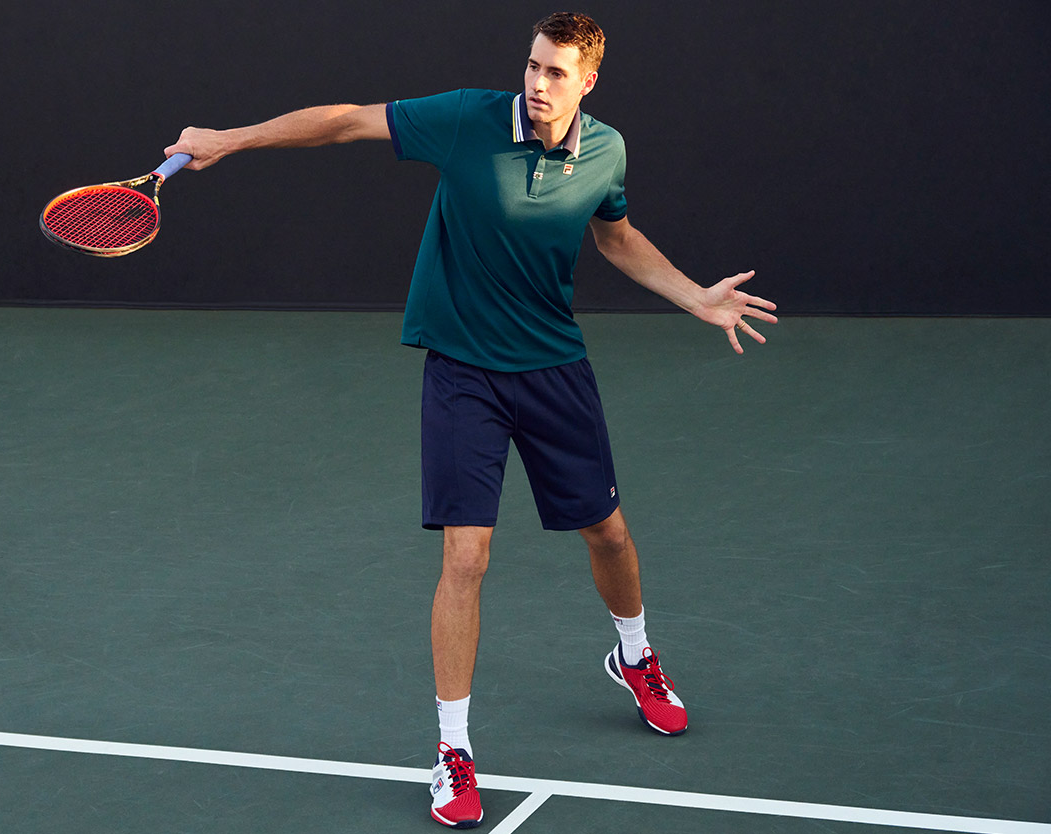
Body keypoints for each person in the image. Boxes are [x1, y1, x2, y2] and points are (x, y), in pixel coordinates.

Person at [166, 12, 777, 829]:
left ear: (588, 81)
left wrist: (695, 296)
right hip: (463, 373)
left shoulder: (606, 150)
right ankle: (452, 752)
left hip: (553, 368)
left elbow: (617, 237)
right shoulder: (465, 119)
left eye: (557, 72)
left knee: (609, 533)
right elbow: (346, 121)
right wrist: (229, 139)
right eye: (532, 66)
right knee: (466, 557)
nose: (538, 83)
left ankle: (634, 656)